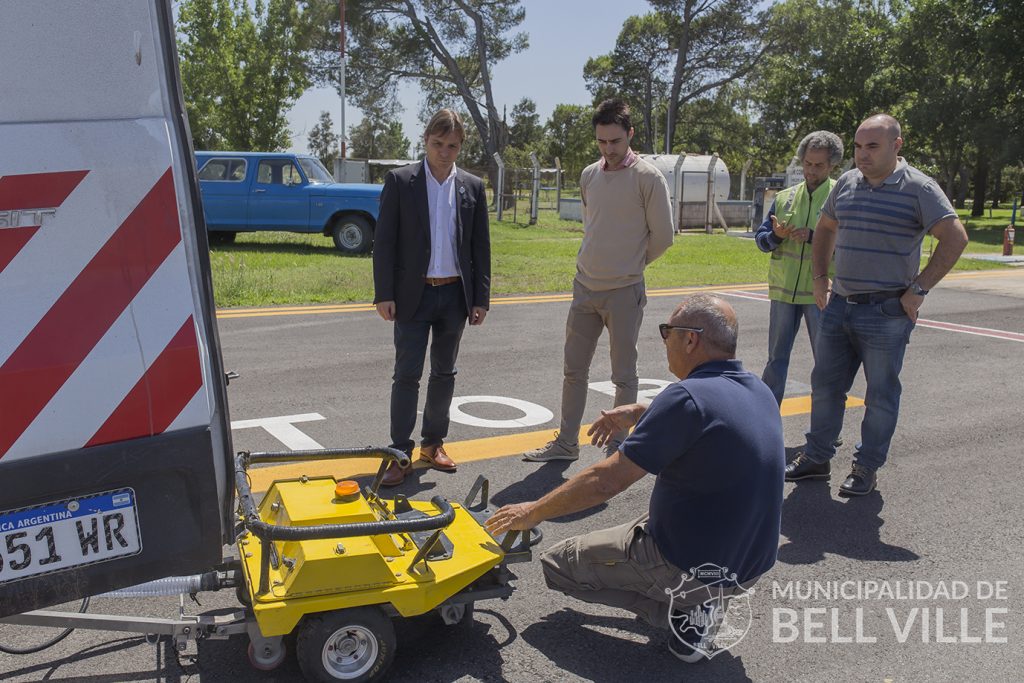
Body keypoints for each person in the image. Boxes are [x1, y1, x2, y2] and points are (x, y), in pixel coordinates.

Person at [487, 295, 784, 662]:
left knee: (557, 565)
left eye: (667, 332)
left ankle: (682, 613)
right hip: (748, 562)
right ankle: (701, 601)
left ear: (690, 340)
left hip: (688, 562)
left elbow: (606, 482)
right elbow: (708, 419)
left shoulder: (687, 399)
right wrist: (643, 411)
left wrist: (533, 510)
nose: (665, 340)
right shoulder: (758, 390)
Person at [785, 114, 968, 496]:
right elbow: (825, 229)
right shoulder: (848, 183)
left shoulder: (920, 188)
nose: (862, 155)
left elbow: (955, 238)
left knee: (880, 394)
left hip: (886, 312)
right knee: (825, 386)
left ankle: (866, 466)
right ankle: (817, 457)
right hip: (840, 306)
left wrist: (919, 289)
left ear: (896, 145)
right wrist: (821, 279)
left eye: (872, 146)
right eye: (857, 146)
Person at [523, 99, 674, 463]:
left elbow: (664, 236)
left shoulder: (648, 178)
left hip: (624, 290)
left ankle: (618, 450)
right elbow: (594, 226)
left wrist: (631, 265)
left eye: (616, 142)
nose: (609, 149)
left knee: (623, 375)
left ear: (630, 135)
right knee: (574, 370)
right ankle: (566, 444)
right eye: (602, 142)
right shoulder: (590, 175)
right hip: (585, 288)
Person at [372, 108, 491, 486]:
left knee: (445, 373)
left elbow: (480, 246)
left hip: (454, 295)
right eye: (437, 144)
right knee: (406, 375)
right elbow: (384, 243)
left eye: (452, 146)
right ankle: (399, 453)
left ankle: (433, 443)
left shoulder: (471, 186)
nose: (444, 152)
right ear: (425, 141)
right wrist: (384, 293)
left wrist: (480, 298)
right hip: (412, 296)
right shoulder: (401, 181)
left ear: (460, 147)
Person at [755, 131, 843, 405]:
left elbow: (850, 241)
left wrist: (815, 236)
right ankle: (766, 420)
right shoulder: (785, 198)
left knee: (826, 361)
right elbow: (762, 240)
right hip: (783, 293)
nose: (811, 170)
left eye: (818, 165)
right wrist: (776, 237)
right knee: (775, 360)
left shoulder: (841, 195)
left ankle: (825, 429)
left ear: (832, 166)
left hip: (821, 293)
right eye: (807, 164)